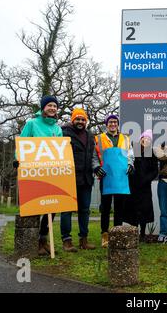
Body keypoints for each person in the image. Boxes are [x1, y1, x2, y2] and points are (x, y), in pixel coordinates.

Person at [15, 95, 63, 256]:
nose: (52, 108)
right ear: (43, 107)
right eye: (49, 105)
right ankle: (32, 240)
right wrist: (18, 160)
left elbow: (61, 149)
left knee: (52, 206)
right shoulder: (32, 123)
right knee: (35, 205)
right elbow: (21, 143)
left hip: (52, 172)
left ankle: (43, 239)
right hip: (34, 171)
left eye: (55, 106)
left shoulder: (57, 128)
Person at [60, 108, 102, 252]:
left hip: (86, 179)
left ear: (86, 121)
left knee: (85, 210)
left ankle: (83, 240)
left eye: (83, 119)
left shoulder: (90, 136)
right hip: (69, 178)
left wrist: (96, 168)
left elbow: (93, 156)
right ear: (73, 120)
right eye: (77, 119)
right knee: (66, 210)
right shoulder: (64, 133)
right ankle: (66, 241)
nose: (80, 122)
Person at [95, 114, 134, 248]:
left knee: (119, 208)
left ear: (118, 124)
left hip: (122, 177)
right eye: (110, 122)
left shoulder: (126, 138)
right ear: (106, 124)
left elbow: (130, 155)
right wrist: (96, 168)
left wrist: (131, 165)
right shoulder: (99, 138)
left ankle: (117, 234)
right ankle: (105, 235)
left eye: (115, 122)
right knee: (105, 208)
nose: (113, 124)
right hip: (106, 177)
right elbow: (95, 156)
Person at [124, 130, 159, 241]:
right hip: (133, 185)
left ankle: (143, 234)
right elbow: (128, 162)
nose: (146, 140)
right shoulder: (133, 150)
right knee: (133, 209)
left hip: (145, 187)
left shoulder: (152, 153)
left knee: (144, 210)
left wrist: (147, 179)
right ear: (141, 139)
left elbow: (155, 171)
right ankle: (134, 233)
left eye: (149, 139)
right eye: (145, 138)